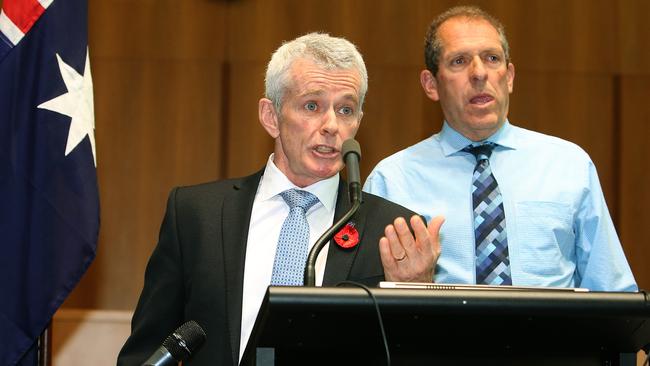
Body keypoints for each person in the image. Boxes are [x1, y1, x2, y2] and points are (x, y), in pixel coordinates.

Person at [117, 33, 444, 366]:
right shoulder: (196, 214)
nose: (332, 125)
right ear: (270, 116)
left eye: (346, 109)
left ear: (358, 122)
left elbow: (415, 355)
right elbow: (147, 350)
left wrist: (415, 296)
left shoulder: (391, 232)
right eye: (312, 106)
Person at [364, 6, 637, 292]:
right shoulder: (392, 180)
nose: (479, 73)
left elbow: (614, 295)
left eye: (491, 58)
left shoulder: (570, 165)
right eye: (459, 61)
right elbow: (369, 312)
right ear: (431, 84)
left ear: (508, 77)